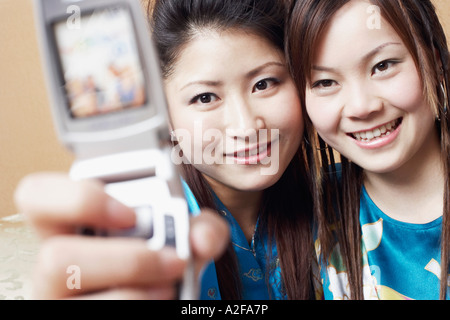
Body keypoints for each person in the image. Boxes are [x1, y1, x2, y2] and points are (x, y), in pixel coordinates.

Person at [15, 0, 315, 300]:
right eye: (205, 97)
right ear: (164, 112)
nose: (246, 127)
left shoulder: (351, 198)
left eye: (264, 84)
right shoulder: (136, 224)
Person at [287, 0, 450, 299]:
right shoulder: (303, 216)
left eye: (383, 66)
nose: (361, 107)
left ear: (436, 62)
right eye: (325, 82)